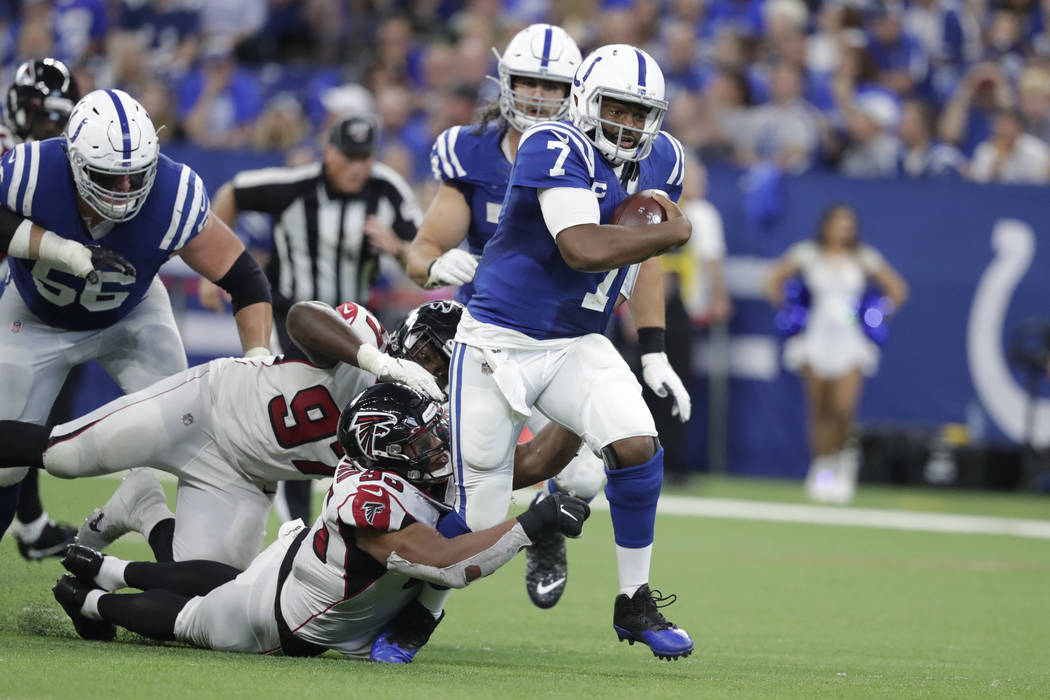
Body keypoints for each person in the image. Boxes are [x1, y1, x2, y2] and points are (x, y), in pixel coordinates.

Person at [402, 25, 691, 614]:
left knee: (587, 475)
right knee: (474, 482)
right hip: (494, 330)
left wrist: (655, 345)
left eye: (551, 84)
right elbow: (425, 246)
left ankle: (546, 535)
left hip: (575, 337)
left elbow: (641, 251)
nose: (537, 95)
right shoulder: (494, 150)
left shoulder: (636, 154)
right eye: (527, 81)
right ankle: (421, 554)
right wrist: (435, 262)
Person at [50, 383, 592, 660]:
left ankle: (108, 567)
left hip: (299, 561)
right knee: (193, 620)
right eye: (422, 439)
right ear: (389, 450)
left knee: (220, 582)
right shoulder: (374, 499)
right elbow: (444, 565)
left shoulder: (395, 465)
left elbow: (524, 464)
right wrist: (533, 523)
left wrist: (573, 404)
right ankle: (91, 600)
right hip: (286, 617)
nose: (435, 444)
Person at [0, 88, 273, 555]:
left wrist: (259, 360)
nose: (126, 190)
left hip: (132, 316)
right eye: (110, 176)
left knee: (198, 438)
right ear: (75, 162)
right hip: (35, 315)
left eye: (136, 175)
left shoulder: (173, 193)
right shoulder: (32, 169)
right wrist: (63, 250)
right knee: (5, 465)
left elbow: (247, 280)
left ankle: (167, 535)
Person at [0, 299, 442, 568]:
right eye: (426, 351)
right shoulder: (366, 339)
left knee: (201, 584)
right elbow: (302, 319)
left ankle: (141, 507)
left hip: (248, 477)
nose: (428, 367)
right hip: (206, 407)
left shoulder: (421, 427)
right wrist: (375, 362)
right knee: (65, 455)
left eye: (440, 364)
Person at [201, 114, 422, 524]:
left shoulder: (387, 188)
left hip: (358, 328)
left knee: (370, 421)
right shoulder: (295, 186)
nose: (358, 167)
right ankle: (295, 525)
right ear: (329, 153)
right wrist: (215, 269)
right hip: (293, 320)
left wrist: (396, 247)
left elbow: (422, 257)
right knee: (298, 423)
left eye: (365, 157)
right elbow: (232, 193)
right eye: (349, 156)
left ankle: (365, 515)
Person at [764, 204, 908, 504]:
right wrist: (792, 313)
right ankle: (823, 469)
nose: (842, 229)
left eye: (848, 224)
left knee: (843, 407)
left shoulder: (864, 257)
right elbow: (771, 280)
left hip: (849, 338)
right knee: (819, 407)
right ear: (826, 225)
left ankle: (843, 464)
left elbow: (897, 289)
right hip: (816, 336)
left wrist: (876, 316)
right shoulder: (808, 253)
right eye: (837, 223)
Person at [0, 57, 84, 559]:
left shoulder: (61, 162)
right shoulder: (12, 157)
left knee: (29, 413)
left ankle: (29, 523)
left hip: (27, 300)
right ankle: (30, 525)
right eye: (43, 116)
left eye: (59, 119)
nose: (51, 128)